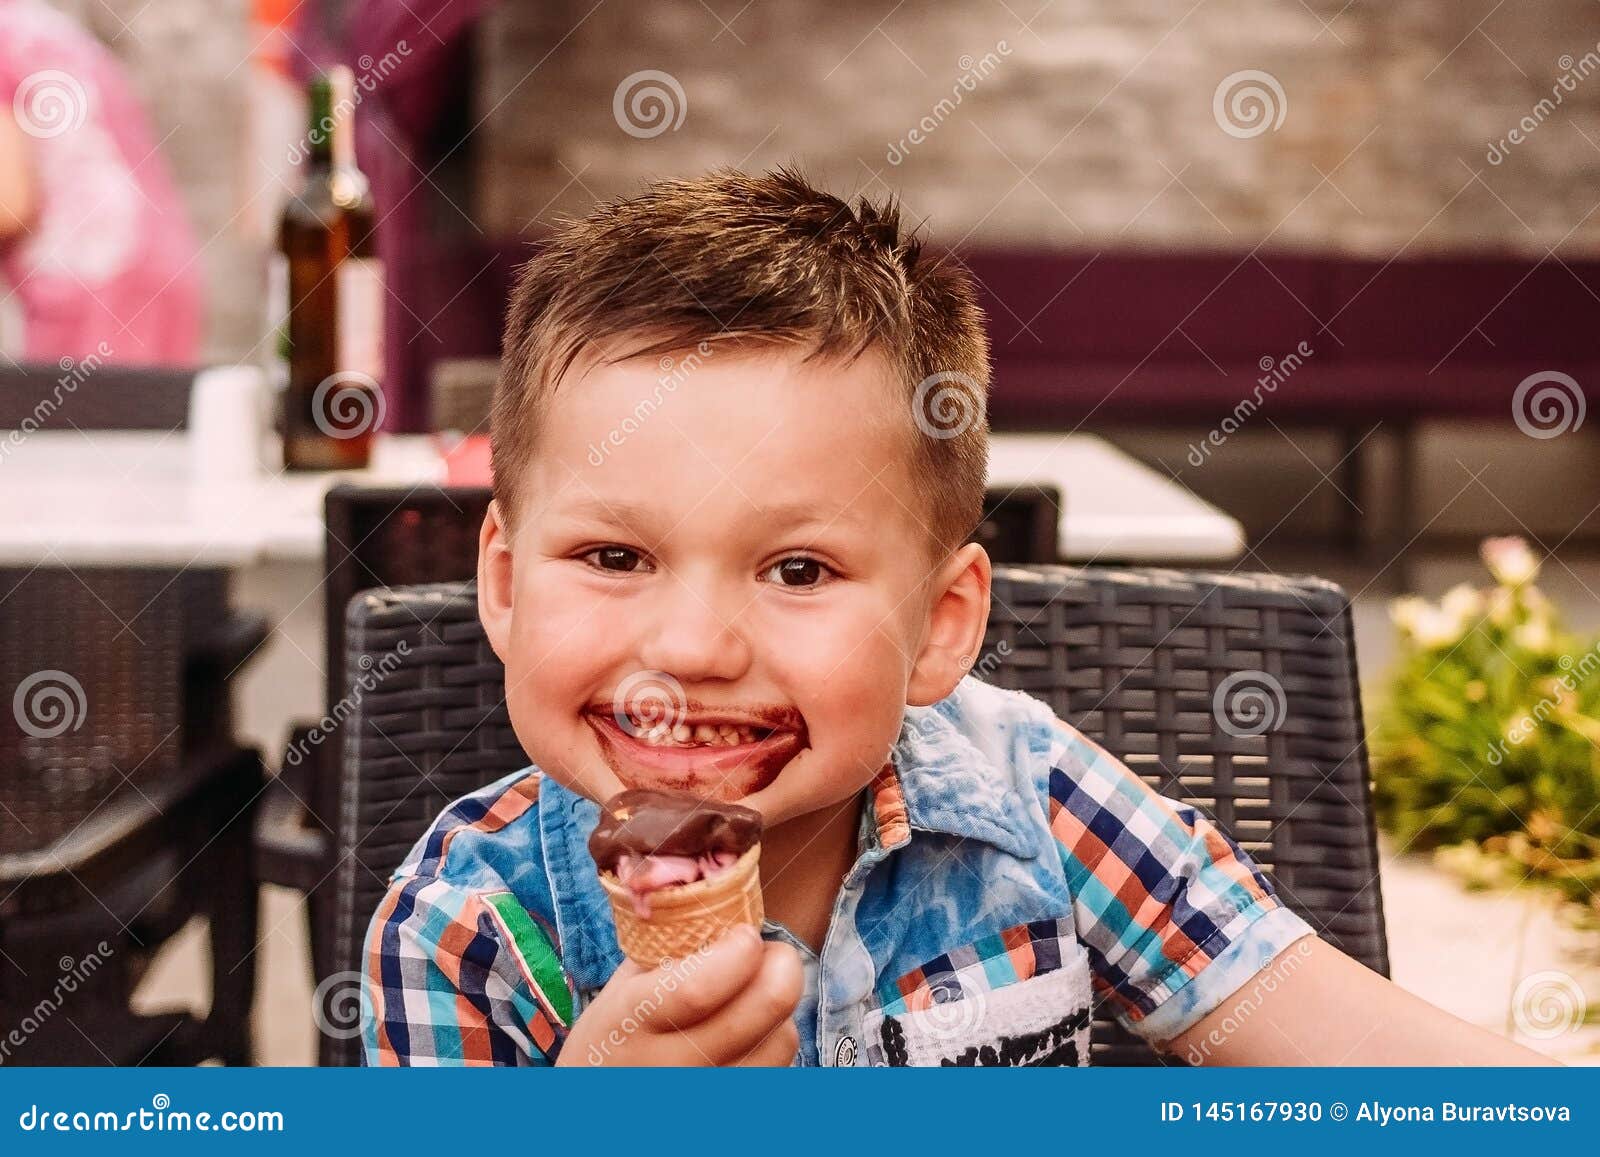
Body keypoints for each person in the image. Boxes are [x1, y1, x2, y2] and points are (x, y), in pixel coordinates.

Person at [361, 166, 1559, 1067]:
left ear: (939, 624)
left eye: (797, 570)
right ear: (508, 584)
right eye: (615, 554)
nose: (691, 648)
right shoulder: (464, 933)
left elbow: (1345, 1041)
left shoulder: (1028, 796)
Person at [0, 0, 200, 364]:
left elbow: (9, 202)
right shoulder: (30, 26)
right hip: (150, 268)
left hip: (91, 283)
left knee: (79, 417)